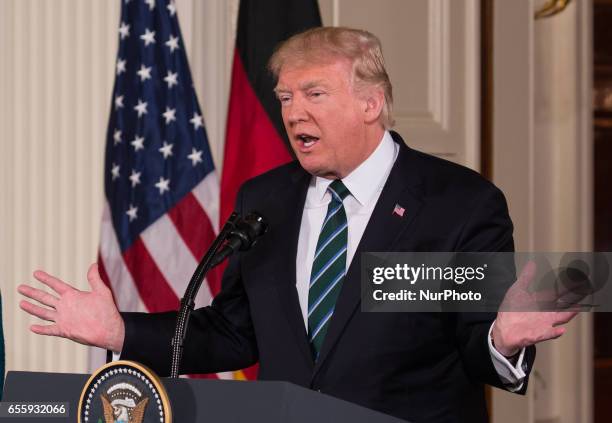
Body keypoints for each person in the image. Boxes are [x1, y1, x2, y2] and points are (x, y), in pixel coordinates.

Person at [18, 27, 577, 422]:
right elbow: (235, 333)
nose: (292, 112)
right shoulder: (267, 199)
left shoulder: (460, 202)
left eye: (314, 94)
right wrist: (120, 332)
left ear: (371, 103)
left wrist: (502, 339)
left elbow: (476, 342)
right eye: (286, 96)